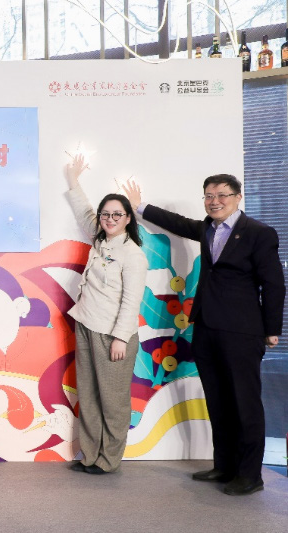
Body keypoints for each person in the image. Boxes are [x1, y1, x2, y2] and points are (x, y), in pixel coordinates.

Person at [124, 174, 284, 496]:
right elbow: (177, 223)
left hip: (242, 331)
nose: (215, 201)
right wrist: (139, 207)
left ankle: (250, 475)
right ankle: (224, 466)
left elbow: (274, 284)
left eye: (222, 195)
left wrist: (271, 330)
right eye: (209, 196)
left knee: (245, 404)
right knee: (218, 400)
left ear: (238, 197)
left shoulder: (259, 233)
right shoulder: (206, 228)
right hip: (206, 328)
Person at [65, 154, 148, 475]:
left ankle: (108, 460)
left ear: (128, 219)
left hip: (113, 335)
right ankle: (90, 455)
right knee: (88, 395)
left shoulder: (132, 254)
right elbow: (83, 210)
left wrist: (120, 338)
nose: (110, 219)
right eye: (106, 214)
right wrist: (73, 179)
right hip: (86, 325)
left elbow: (131, 301)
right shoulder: (100, 239)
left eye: (117, 214)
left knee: (113, 400)